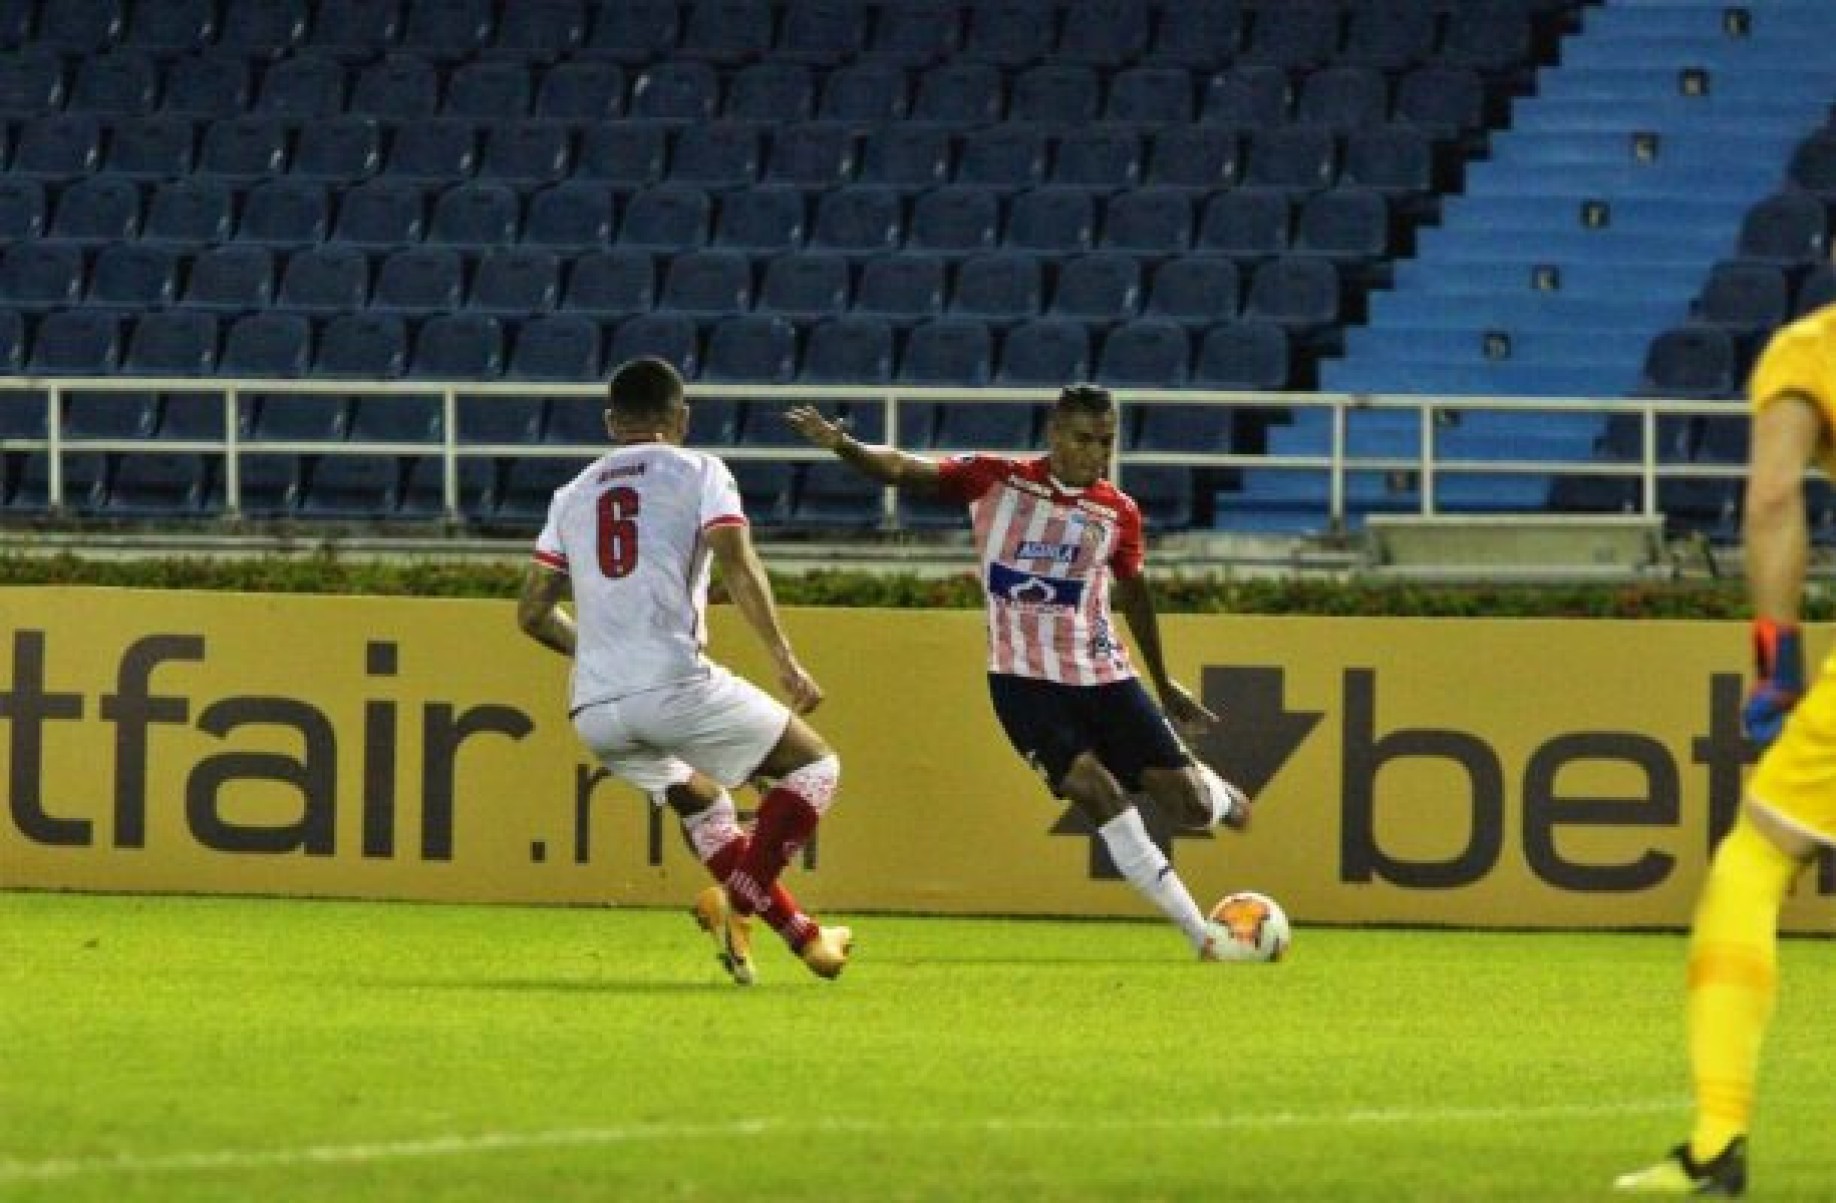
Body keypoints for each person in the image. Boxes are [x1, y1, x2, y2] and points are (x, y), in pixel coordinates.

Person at [786, 384, 1254, 961]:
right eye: (1084, 439)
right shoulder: (996, 479)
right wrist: (843, 445)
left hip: (1104, 676)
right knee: (1094, 791)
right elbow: (906, 470)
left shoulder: (1118, 513)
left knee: (1183, 806)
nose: (1096, 453)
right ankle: (1200, 933)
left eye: (1106, 441)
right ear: (1054, 433)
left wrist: (1163, 684)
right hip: (1022, 682)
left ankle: (1213, 793)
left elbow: (1135, 595)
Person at [517, 356, 853, 986]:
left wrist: (599, 650)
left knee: (706, 809)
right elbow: (738, 561)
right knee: (814, 769)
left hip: (594, 709)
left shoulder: (571, 495)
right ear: (682, 418)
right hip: (671, 684)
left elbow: (533, 613)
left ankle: (808, 940)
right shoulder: (701, 470)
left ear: (611, 422)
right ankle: (739, 900)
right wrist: (784, 658)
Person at [1614, 308, 1836, 1194]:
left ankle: (1717, 1140)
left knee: (1754, 858)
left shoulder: (1810, 348)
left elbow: (1775, 498)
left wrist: (1775, 661)